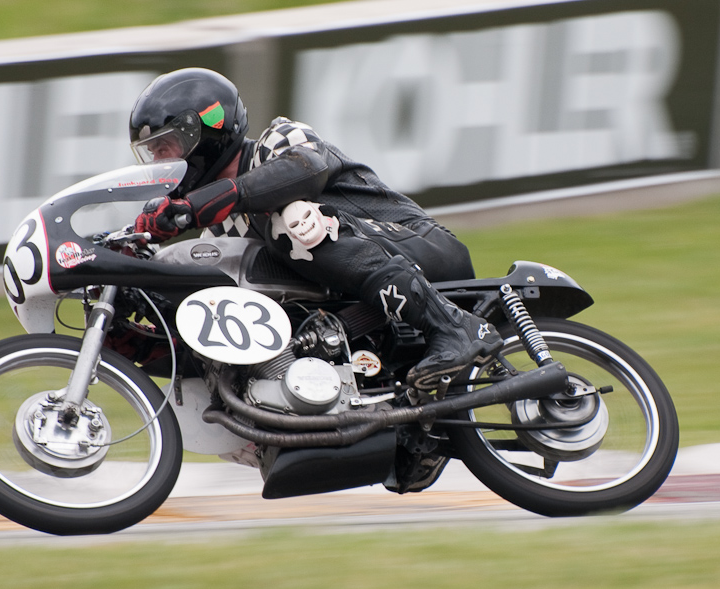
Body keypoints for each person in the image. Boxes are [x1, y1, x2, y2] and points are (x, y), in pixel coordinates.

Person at [129, 68, 502, 390]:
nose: (159, 162)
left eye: (165, 147)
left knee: (292, 221)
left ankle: (453, 327)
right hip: (364, 313)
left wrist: (192, 207)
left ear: (205, 131)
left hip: (421, 247)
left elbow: (305, 170)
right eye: (152, 152)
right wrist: (138, 347)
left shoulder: (279, 141)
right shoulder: (219, 234)